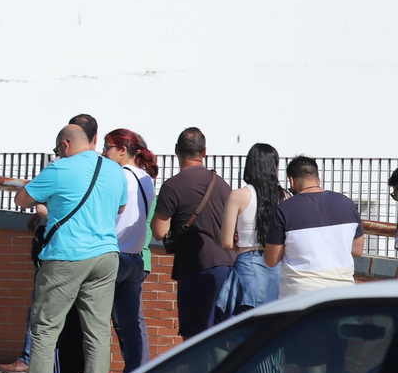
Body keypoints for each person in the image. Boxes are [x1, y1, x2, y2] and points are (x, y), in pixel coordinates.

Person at [12, 123, 124, 373]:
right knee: (98, 329)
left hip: (65, 255)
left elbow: (22, 199)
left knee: (46, 326)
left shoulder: (60, 169)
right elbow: (121, 208)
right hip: (106, 255)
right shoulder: (114, 169)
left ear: (64, 144)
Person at [150, 127, 236, 338]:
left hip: (196, 267)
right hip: (229, 266)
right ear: (204, 152)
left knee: (195, 338)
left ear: (176, 150)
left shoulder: (172, 187)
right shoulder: (222, 184)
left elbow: (159, 232)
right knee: (223, 334)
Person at [265, 155, 365, 294]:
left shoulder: (284, 209)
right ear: (318, 179)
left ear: (292, 181)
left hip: (299, 294)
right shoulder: (347, 204)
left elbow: (271, 260)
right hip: (342, 291)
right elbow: (357, 250)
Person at [102, 128, 156, 372]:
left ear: (123, 150)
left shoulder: (118, 176)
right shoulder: (145, 178)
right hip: (136, 257)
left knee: (98, 323)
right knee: (132, 324)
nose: (103, 153)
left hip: (114, 255)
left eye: (107, 148)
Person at [221, 142, 284, 314]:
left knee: (245, 322)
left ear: (250, 165)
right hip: (277, 264)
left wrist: (240, 245)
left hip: (247, 263)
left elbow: (226, 242)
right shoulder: (284, 196)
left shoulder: (238, 195)